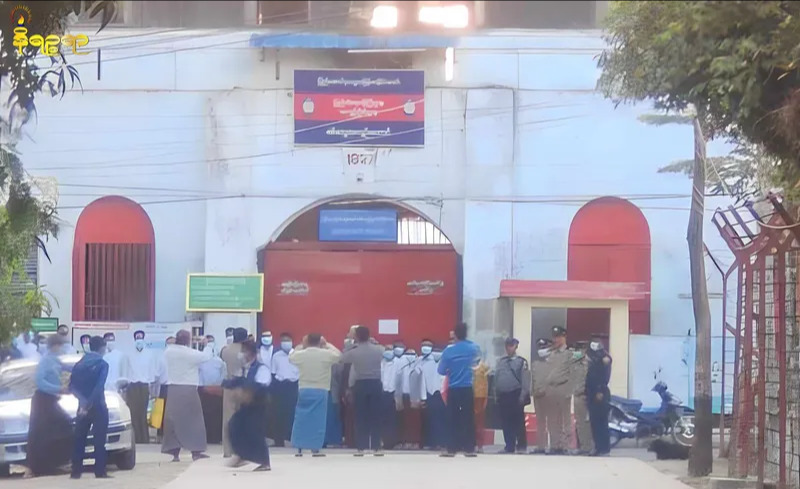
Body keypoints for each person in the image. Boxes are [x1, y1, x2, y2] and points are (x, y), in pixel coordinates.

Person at [161, 330, 212, 462]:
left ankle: (174, 453)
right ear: (188, 340)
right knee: (194, 421)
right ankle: (196, 452)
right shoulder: (190, 354)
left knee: (173, 422)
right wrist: (207, 344)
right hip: (188, 389)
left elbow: (171, 345)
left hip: (173, 389)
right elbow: (207, 356)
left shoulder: (169, 352)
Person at [26, 334, 73, 476]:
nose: (62, 348)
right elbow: (40, 381)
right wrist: (58, 389)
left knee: (62, 427)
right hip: (42, 400)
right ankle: (35, 468)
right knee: (40, 434)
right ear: (55, 346)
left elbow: (68, 368)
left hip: (51, 400)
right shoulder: (45, 361)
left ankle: (55, 463)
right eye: (60, 345)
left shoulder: (55, 360)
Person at [289, 333, 341, 456]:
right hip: (321, 389)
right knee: (318, 420)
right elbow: (339, 355)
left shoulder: (301, 354)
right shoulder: (326, 354)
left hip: (304, 389)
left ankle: (299, 447)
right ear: (320, 342)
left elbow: (291, 356)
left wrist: (302, 345)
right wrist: (327, 344)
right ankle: (315, 447)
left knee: (301, 418)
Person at [69, 336, 111, 479]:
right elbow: (99, 387)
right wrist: (89, 403)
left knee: (79, 439)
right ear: (102, 348)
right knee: (99, 440)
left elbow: (72, 386)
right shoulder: (103, 364)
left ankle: (76, 471)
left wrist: (83, 402)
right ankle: (99, 471)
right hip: (98, 405)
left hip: (82, 407)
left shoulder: (79, 364)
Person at [226, 340, 271, 471]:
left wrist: (247, 390)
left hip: (258, 404)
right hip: (246, 404)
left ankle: (265, 462)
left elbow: (262, 384)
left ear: (251, 353)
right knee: (234, 426)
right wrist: (226, 383)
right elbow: (238, 380)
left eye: (244, 351)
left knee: (255, 431)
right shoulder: (246, 368)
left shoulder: (261, 368)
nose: (242, 354)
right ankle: (242, 455)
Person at [438, 322, 481, 457]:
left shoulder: (448, 351)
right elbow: (478, 365)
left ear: (455, 335)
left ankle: (451, 448)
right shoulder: (474, 348)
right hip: (468, 387)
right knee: (468, 418)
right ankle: (469, 448)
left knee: (452, 418)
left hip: (454, 388)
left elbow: (441, 370)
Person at [341, 326, 386, 456]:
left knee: (360, 416)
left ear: (356, 336)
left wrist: (350, 346)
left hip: (360, 384)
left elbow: (342, 358)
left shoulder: (354, 351)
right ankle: (377, 447)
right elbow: (387, 354)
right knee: (376, 416)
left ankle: (361, 447)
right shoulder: (379, 349)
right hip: (376, 383)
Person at [494, 337, 531, 454]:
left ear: (516, 346)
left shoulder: (521, 362)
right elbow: (497, 378)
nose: (509, 348)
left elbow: (525, 380)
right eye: (507, 346)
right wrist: (496, 393)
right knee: (506, 422)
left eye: (511, 345)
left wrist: (523, 395)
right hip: (503, 394)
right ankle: (509, 446)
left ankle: (521, 446)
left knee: (518, 421)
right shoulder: (501, 361)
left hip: (515, 393)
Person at [543, 326, 574, 455]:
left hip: (563, 387)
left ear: (564, 337)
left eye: (558, 337)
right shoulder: (552, 353)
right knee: (553, 419)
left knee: (565, 419)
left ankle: (565, 446)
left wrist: (570, 388)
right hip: (551, 389)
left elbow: (574, 371)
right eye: (554, 337)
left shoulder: (570, 353)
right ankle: (555, 445)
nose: (555, 339)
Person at [220, 327, 247, 457]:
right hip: (244, 387)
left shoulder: (225, 350)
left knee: (228, 417)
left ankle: (227, 450)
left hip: (229, 386)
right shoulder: (247, 351)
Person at [128, 330, 157, 444]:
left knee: (143, 413)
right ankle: (135, 438)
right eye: (137, 338)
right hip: (132, 385)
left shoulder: (150, 354)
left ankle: (144, 438)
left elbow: (152, 371)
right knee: (133, 413)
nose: (139, 340)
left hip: (144, 385)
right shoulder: (129, 354)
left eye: (141, 337)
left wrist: (151, 387)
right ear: (134, 339)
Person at [271, 332, 300, 447]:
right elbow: (273, 372)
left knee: (293, 413)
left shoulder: (298, 355)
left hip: (294, 385)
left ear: (292, 342)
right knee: (279, 414)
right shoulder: (276, 356)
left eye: (288, 340)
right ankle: (279, 440)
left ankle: (292, 439)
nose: (286, 343)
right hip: (281, 385)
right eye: (283, 341)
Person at [586, 334, 612, 457]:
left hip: (600, 393)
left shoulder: (604, 358)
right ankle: (598, 447)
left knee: (601, 422)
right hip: (591, 393)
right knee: (594, 422)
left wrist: (600, 391)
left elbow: (604, 376)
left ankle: (604, 448)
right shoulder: (592, 359)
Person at [199, 335, 225, 444]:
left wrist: (218, 387)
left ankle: (216, 437)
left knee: (216, 416)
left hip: (216, 391)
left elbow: (223, 375)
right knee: (204, 415)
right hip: (204, 390)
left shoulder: (220, 361)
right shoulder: (199, 360)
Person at [420, 343, 447, 450]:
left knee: (442, 419)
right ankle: (430, 443)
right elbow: (422, 381)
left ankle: (442, 442)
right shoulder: (425, 363)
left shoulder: (445, 363)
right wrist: (423, 397)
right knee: (430, 419)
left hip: (442, 394)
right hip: (430, 395)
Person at [397, 347, 423, 449]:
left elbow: (421, 383)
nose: (410, 356)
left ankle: (415, 441)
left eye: (412, 354)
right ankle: (405, 441)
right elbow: (398, 382)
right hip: (404, 395)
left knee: (415, 420)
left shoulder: (419, 365)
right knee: (403, 420)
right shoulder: (401, 365)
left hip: (415, 396)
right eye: (408, 354)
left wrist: (421, 397)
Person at [570, 341, 594, 456]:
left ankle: (588, 447)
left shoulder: (590, 363)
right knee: (579, 423)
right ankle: (582, 446)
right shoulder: (574, 362)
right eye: (577, 349)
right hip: (576, 395)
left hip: (586, 396)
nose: (578, 351)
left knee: (586, 423)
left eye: (581, 349)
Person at [530, 337, 553, 454]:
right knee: (540, 422)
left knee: (553, 422)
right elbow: (533, 380)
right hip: (538, 396)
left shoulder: (554, 363)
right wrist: (532, 392)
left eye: (544, 347)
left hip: (550, 396)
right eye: (540, 347)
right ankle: (541, 446)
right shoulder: (535, 364)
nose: (541, 350)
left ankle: (555, 446)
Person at [380, 342, 402, 450]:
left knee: (392, 420)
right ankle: (384, 441)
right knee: (383, 419)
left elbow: (400, 380)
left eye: (390, 349)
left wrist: (398, 396)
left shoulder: (398, 362)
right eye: (386, 349)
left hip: (393, 394)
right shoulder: (381, 362)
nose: (388, 351)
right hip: (383, 394)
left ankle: (392, 442)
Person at [473, 359, 490, 452]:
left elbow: (486, 384)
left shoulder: (483, 367)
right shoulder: (466, 364)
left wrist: (485, 398)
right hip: (467, 394)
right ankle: (468, 444)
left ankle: (479, 445)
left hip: (480, 396)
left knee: (479, 422)